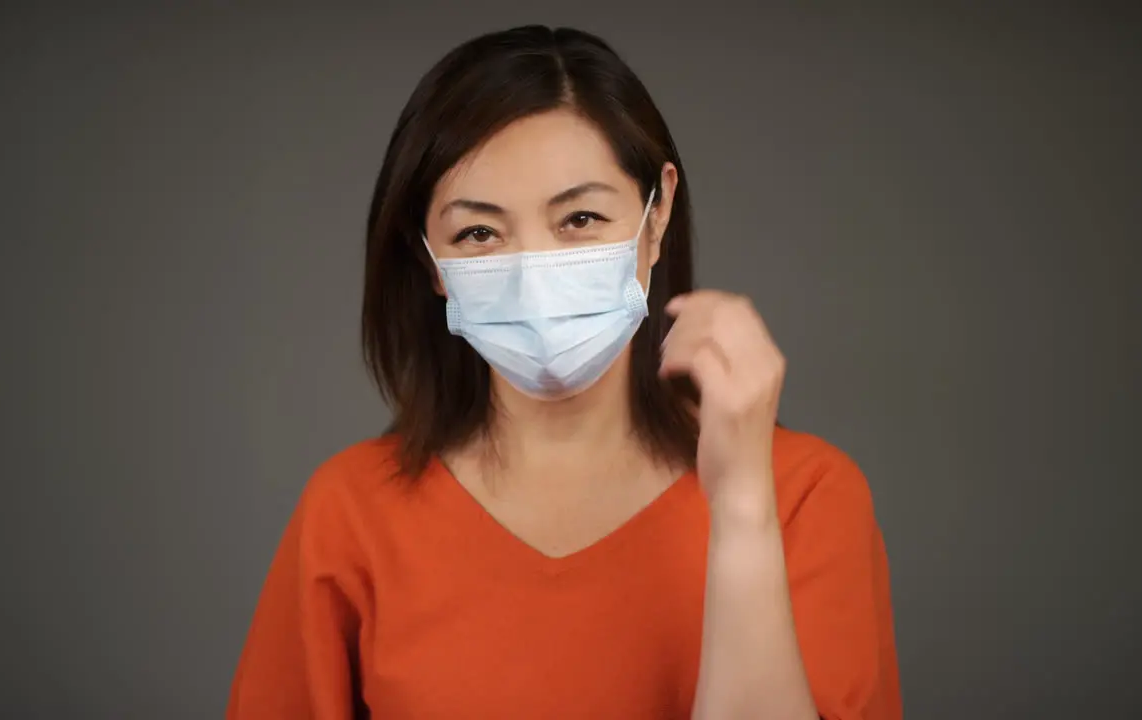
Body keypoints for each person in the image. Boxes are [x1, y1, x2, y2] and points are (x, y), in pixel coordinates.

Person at [227, 24, 900, 720]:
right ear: (429, 258)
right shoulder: (349, 512)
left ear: (657, 211)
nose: (533, 276)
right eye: (479, 233)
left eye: (579, 218)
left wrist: (741, 511)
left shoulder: (802, 497)